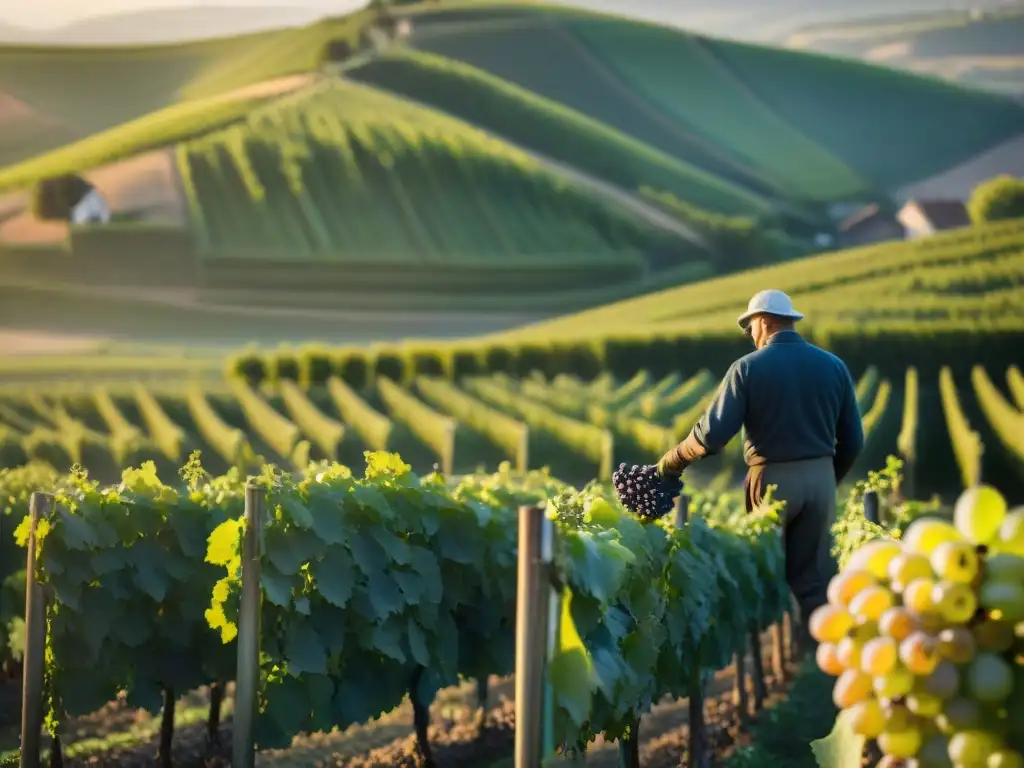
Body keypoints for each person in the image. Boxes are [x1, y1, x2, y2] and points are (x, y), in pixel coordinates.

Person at [656, 289, 864, 642]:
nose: (750, 336)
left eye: (750, 327)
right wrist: (827, 477)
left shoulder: (747, 369)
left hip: (772, 479)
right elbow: (854, 441)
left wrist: (672, 460)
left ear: (764, 322)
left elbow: (713, 435)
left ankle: (765, 654)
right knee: (811, 581)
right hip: (821, 480)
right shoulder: (834, 366)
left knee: (767, 572)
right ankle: (817, 659)